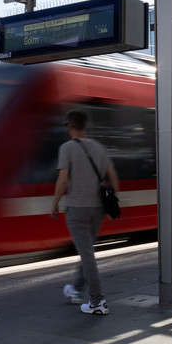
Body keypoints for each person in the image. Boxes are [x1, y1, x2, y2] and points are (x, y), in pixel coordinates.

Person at [51, 109, 120, 315]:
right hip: (97, 209)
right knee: (87, 250)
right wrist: (112, 202)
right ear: (85, 126)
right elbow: (113, 177)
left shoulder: (67, 148)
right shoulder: (98, 147)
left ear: (69, 126)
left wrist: (55, 203)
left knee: (87, 254)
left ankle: (97, 301)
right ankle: (75, 288)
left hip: (78, 209)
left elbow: (63, 180)